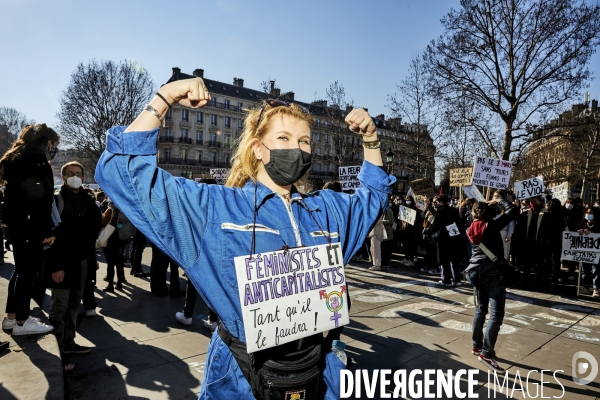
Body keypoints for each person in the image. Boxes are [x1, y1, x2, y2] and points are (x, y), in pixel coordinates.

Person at [95, 77, 394, 399]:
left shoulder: (327, 210)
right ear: (258, 149)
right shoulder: (215, 209)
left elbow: (374, 195)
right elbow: (122, 175)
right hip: (241, 376)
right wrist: (163, 98)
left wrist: (371, 140)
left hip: (318, 370)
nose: (297, 147)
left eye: (305, 141)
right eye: (283, 137)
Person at [0, 124, 58, 335]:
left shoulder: (16, 159)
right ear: (46, 142)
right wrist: (48, 229)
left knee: (19, 271)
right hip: (28, 226)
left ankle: (11, 317)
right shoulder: (36, 160)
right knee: (26, 274)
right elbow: (40, 199)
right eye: (54, 144)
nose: (54, 149)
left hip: (16, 225)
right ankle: (22, 322)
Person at [47, 161, 102, 365]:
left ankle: (69, 342)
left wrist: (92, 258)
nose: (75, 177)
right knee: (59, 307)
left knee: (74, 304)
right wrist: (56, 266)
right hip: (62, 263)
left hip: (82, 262)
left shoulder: (88, 200)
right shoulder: (56, 200)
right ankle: (57, 350)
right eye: (70, 173)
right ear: (63, 177)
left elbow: (91, 234)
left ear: (84, 176)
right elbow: (50, 239)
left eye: (78, 173)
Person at [464, 198, 518, 372]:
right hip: (493, 272)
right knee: (496, 314)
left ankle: (476, 345)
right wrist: (500, 199)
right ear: (488, 213)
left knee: (481, 308)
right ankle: (486, 353)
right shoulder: (491, 225)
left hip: (476, 272)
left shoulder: (469, 228)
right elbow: (513, 211)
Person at [425, 195, 462, 286]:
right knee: (454, 259)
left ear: (441, 202)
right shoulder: (454, 210)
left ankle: (446, 280)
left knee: (444, 259)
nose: (436, 204)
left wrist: (428, 231)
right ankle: (457, 280)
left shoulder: (440, 211)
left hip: (444, 237)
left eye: (437, 202)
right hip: (454, 236)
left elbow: (436, 226)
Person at [101, 203, 127, 292]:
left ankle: (110, 285)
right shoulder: (124, 209)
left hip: (111, 238)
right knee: (119, 263)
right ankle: (119, 284)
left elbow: (104, 222)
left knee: (110, 264)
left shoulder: (111, 210)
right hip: (122, 238)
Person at [578, 207, 600, 298]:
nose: (588, 214)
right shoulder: (583, 223)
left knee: (596, 270)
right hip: (585, 251)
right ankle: (586, 287)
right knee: (585, 269)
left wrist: (591, 233)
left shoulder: (598, 224)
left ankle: (596, 289)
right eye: (587, 212)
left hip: (597, 251)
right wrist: (580, 231)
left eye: (590, 213)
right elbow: (578, 230)